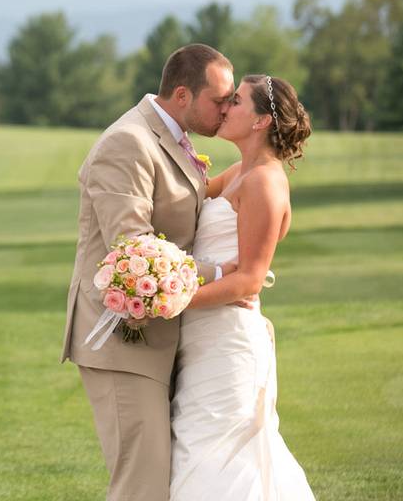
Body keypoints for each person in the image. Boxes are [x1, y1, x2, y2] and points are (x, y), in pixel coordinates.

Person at [61, 43, 241, 500]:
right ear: (182, 95)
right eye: (219, 100)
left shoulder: (176, 137)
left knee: (170, 479)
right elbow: (133, 248)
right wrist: (219, 273)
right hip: (124, 338)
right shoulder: (128, 142)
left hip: (165, 336)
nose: (227, 108)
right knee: (142, 486)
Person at [169, 74, 314, 500]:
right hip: (199, 337)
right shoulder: (237, 172)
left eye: (235, 101)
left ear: (261, 121)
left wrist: (173, 299)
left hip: (228, 339)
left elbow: (250, 278)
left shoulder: (265, 182)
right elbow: (181, 207)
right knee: (196, 448)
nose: (224, 107)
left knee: (219, 459)